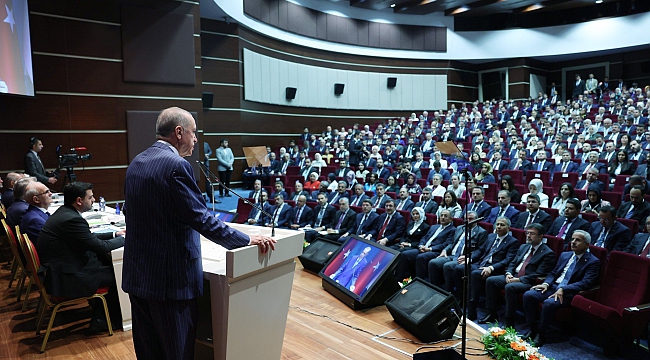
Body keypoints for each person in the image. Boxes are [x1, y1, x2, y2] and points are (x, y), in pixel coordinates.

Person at [122, 107, 275, 360]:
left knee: (149, 353)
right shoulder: (176, 166)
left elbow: (133, 212)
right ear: (179, 132)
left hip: (138, 277)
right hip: (170, 283)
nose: (196, 140)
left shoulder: (137, 162)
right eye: (193, 133)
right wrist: (247, 239)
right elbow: (201, 219)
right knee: (176, 353)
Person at [37, 182, 126, 334]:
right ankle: (105, 321)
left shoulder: (65, 212)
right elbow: (100, 247)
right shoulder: (71, 219)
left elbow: (87, 238)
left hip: (60, 269)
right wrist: (128, 239)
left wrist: (115, 234)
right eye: (91, 197)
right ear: (79, 201)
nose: (93, 200)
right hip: (66, 278)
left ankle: (101, 315)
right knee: (119, 275)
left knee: (107, 263)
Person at [522, 230, 600, 347]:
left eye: (578, 240)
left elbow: (586, 283)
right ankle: (532, 328)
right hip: (553, 287)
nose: (573, 242)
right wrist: (546, 284)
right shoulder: (565, 255)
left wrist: (565, 289)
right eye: (572, 239)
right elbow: (553, 273)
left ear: (587, 244)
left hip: (568, 293)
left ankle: (541, 334)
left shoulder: (593, 261)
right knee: (529, 295)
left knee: (548, 304)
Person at [481, 223, 556, 327]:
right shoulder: (524, 247)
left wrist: (518, 280)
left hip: (528, 281)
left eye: (532, 234)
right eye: (527, 233)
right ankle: (492, 313)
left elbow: (539, 274)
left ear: (541, 236)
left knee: (510, 287)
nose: (528, 236)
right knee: (491, 280)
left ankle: (509, 320)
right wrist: (508, 273)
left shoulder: (547, 253)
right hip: (514, 275)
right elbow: (513, 262)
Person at [464, 217, 519, 320]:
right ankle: (462, 299)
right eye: (497, 224)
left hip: (497, 269)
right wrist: (469, 259)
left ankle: (473, 307)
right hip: (482, 263)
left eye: (502, 225)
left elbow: (507, 260)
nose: (498, 227)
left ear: (509, 228)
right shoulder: (491, 237)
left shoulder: (513, 242)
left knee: (476, 274)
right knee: (461, 267)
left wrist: (491, 268)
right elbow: (480, 251)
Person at [427, 211, 488, 288]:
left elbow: (480, 250)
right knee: (433, 262)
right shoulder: (460, 228)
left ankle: (449, 291)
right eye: (466, 219)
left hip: (463, 257)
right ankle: (434, 288)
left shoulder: (481, 232)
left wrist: (468, 257)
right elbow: (452, 242)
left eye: (471, 219)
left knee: (448, 266)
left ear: (476, 220)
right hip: (452, 255)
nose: (468, 221)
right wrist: (445, 250)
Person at [394, 210, 456, 281]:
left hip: (435, 251)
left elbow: (445, 244)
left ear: (451, 219)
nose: (442, 217)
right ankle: (399, 279)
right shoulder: (434, 227)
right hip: (423, 248)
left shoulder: (452, 230)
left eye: (445, 216)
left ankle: (418, 281)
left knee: (421, 257)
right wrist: (421, 245)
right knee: (404, 254)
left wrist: (429, 249)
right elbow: (424, 237)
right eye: (441, 215)